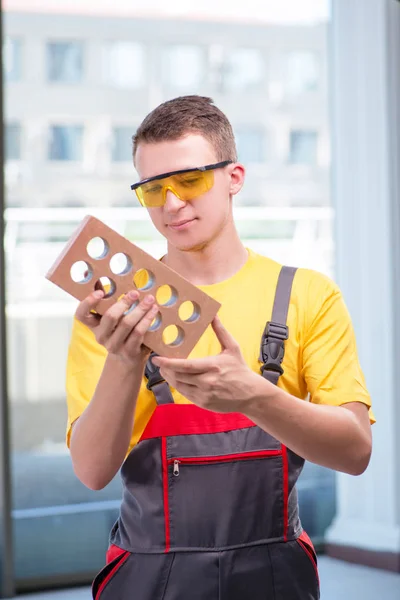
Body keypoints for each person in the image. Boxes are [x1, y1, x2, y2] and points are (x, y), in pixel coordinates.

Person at [66, 95, 374, 600]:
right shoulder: (113, 312)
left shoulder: (305, 296)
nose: (170, 204)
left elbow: (356, 452)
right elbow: (93, 472)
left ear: (234, 177)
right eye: (152, 189)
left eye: (189, 180)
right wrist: (125, 361)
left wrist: (255, 396)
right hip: (147, 578)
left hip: (275, 576)